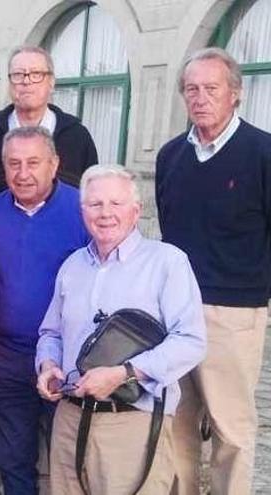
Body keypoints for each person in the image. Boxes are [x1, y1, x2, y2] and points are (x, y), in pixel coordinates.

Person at [36, 164, 206, 494]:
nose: (105, 214)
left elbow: (191, 341)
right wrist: (47, 366)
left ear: (136, 210)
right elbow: (51, 333)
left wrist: (125, 373)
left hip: (132, 421)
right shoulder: (72, 266)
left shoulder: (167, 263)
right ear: (82, 210)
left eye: (116, 204)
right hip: (69, 419)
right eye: (95, 204)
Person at [156, 47, 271, 495]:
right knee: (176, 424)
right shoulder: (171, 157)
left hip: (234, 313)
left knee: (231, 429)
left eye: (211, 88)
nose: (200, 98)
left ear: (235, 94)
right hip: (177, 311)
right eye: (192, 89)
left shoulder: (262, 153)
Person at [0, 126, 89, 494]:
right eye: (13, 164)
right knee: (13, 458)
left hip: (65, 356)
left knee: (71, 456)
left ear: (54, 164)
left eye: (33, 163)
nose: (22, 173)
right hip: (7, 356)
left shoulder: (82, 211)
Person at [0, 46, 97, 195]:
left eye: (36, 74)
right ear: (10, 83)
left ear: (51, 82)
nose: (26, 81)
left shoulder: (77, 136)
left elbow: (91, 196)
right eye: (18, 74)